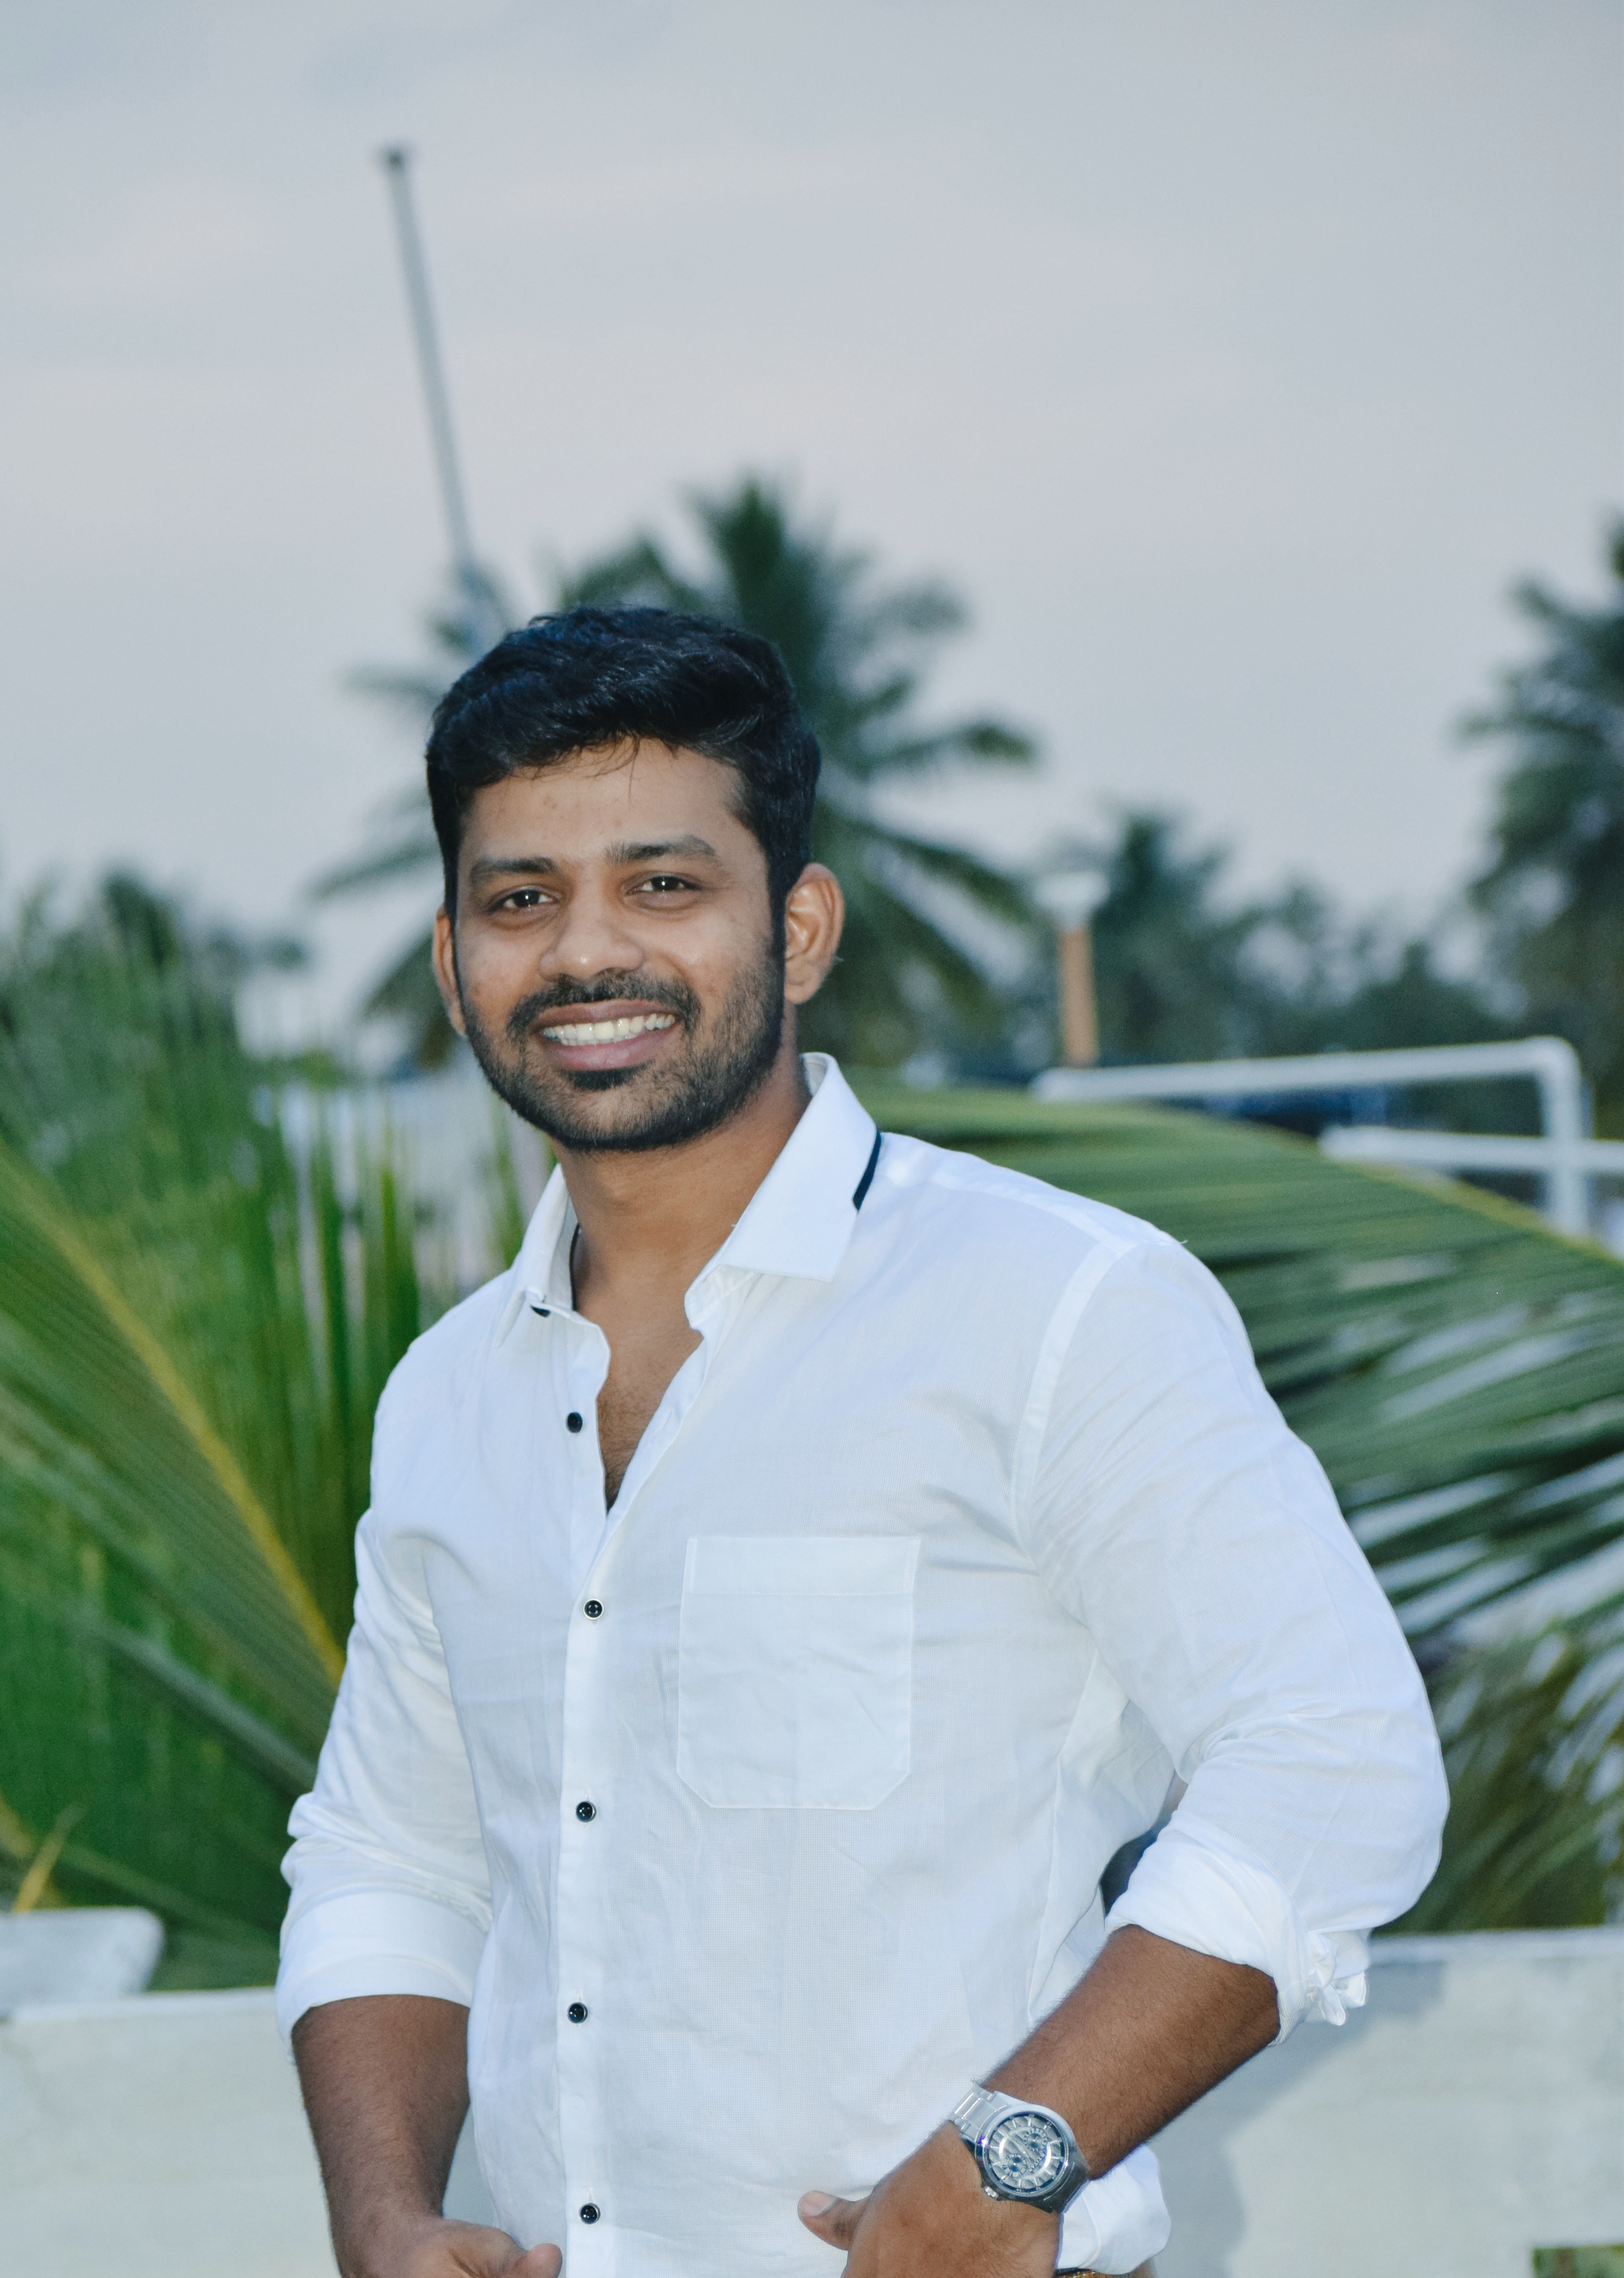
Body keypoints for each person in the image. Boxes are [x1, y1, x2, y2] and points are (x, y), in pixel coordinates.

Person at [276, 606, 1446, 2277]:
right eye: (521, 898)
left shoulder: (1055, 1305)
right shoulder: (447, 1396)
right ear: (456, 960)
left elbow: (1334, 1757)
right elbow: (394, 1858)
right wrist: (385, 2218)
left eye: (663, 884)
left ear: (800, 926)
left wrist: (1011, 2158)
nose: (588, 952)